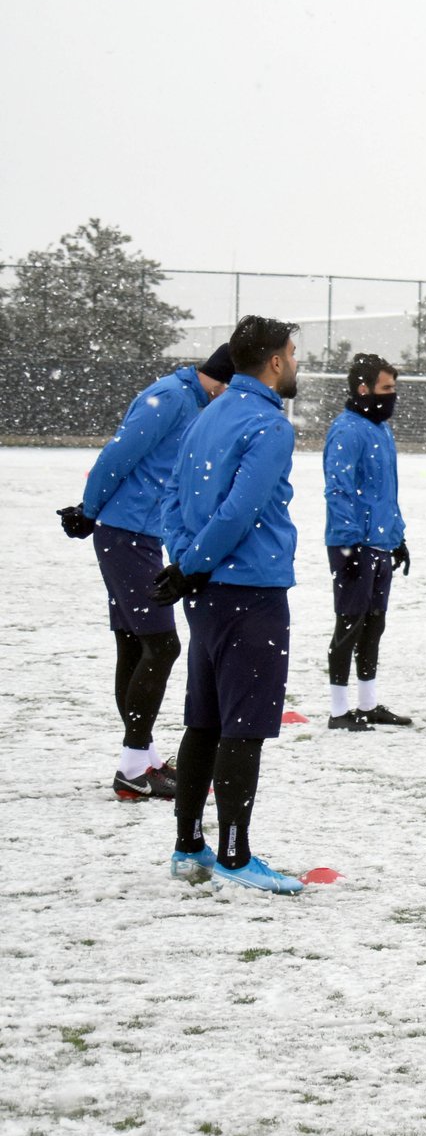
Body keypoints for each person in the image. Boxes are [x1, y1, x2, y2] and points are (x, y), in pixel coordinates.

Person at [155, 315, 307, 894]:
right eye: (292, 353)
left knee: (205, 720)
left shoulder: (209, 412)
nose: (295, 363)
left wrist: (185, 562)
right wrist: (192, 564)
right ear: (275, 361)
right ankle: (236, 857)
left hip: (206, 591)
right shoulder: (269, 425)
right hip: (250, 589)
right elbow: (241, 510)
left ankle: (188, 846)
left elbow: (173, 494)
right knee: (244, 724)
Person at [58, 342, 233, 800]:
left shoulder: (192, 399)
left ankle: (143, 761)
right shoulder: (172, 397)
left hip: (140, 533)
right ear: (225, 382)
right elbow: (118, 455)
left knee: (135, 645)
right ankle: (133, 768)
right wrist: (89, 510)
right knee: (163, 645)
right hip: (125, 533)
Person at [322, 353, 414, 732]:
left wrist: (397, 537)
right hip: (355, 544)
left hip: (379, 543)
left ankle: (368, 703)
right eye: (386, 388)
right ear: (364, 389)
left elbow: (386, 494)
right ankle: (338, 710)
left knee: (374, 625)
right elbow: (338, 490)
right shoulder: (347, 431)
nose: (392, 395)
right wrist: (348, 544)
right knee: (349, 624)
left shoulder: (382, 431)